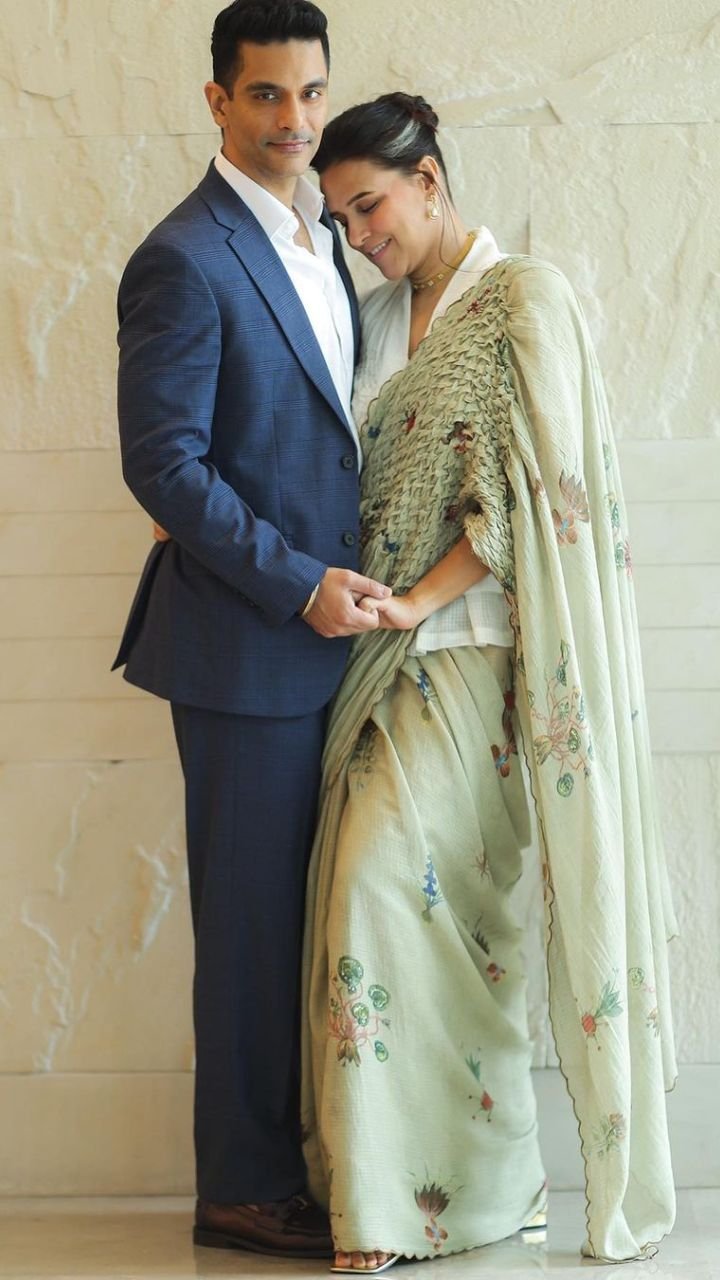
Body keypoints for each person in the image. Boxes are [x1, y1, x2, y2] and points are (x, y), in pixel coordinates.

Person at [300, 93, 678, 1274]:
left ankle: (443, 1195)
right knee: (389, 911)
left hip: (475, 658)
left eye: (370, 206)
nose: (360, 234)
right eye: (340, 218)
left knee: (408, 897)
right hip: (371, 658)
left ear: (430, 178)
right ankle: (420, 1194)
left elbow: (535, 492)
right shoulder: (371, 322)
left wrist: (420, 597)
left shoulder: (525, 300)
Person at [113, 1, 391, 1259]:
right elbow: (164, 465)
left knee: (323, 917)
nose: (295, 119)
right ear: (218, 100)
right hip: (245, 649)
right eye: (268, 94)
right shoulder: (183, 256)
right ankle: (239, 1185)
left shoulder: (324, 236)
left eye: (310, 92)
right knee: (249, 928)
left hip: (338, 641)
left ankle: (316, 1158)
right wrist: (297, 583)